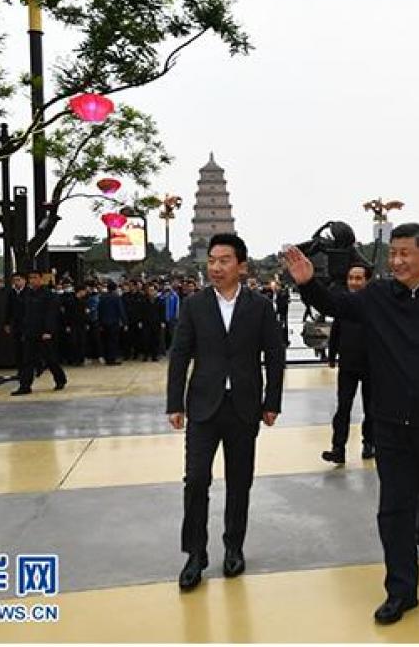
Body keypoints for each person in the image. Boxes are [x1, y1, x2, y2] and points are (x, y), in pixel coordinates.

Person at [284, 223, 419, 626]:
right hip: (391, 424)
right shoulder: (377, 296)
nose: (396, 260)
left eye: (405, 253)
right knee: (394, 508)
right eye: (393, 253)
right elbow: (337, 304)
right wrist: (307, 283)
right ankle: (401, 590)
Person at [167, 233, 286, 591]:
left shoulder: (260, 306)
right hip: (203, 406)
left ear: (241, 266)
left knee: (239, 481)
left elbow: (275, 356)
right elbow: (180, 354)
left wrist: (272, 402)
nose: (216, 267)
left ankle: (234, 546)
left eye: (224, 261)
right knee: (195, 480)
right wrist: (175, 403)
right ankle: (195, 554)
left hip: (244, 408)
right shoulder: (194, 305)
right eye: (212, 261)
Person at [323, 263, 374, 464]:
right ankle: (338, 448)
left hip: (371, 365)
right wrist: (332, 355)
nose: (354, 282)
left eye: (358, 278)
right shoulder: (344, 303)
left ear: (367, 281)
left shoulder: (376, 305)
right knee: (343, 407)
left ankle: (369, 443)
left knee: (371, 408)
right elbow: (336, 330)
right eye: (351, 278)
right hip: (348, 364)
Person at [11, 271, 67, 395]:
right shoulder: (26, 295)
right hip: (30, 332)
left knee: (50, 359)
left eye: (35, 278)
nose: (32, 280)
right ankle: (25, 386)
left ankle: (60, 380)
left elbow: (51, 314)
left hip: (44, 333)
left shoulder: (49, 295)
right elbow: (22, 314)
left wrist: (48, 331)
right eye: (30, 278)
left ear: (41, 279)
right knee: (27, 360)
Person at [3, 272, 28, 375]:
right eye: (14, 280)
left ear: (24, 281)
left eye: (18, 280)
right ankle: (20, 370)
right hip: (16, 324)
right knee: (18, 348)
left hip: (28, 324)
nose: (16, 282)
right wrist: (7, 323)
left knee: (28, 348)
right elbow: (8, 308)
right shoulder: (11, 293)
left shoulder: (29, 292)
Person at [98, 281, 126, 365]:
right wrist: (124, 321)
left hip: (104, 322)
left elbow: (99, 310)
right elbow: (120, 310)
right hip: (114, 322)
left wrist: (100, 322)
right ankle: (112, 358)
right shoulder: (116, 297)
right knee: (113, 341)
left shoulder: (102, 297)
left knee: (106, 340)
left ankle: (107, 358)